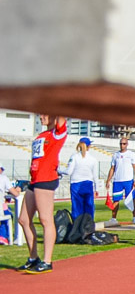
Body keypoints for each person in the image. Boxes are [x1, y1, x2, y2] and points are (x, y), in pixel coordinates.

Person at [17, 114, 68, 273]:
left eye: (45, 113)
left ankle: (47, 261)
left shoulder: (57, 133)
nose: (41, 117)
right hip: (35, 180)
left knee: (46, 220)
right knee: (23, 220)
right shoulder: (41, 135)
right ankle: (34, 258)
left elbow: (61, 116)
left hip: (46, 180)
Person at [105, 136, 135, 224]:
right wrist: (108, 180)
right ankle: (113, 218)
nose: (122, 145)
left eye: (124, 144)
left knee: (132, 199)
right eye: (121, 144)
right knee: (116, 200)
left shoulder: (131, 154)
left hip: (128, 180)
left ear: (127, 144)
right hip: (117, 181)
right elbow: (112, 168)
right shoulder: (115, 155)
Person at [64, 137, 99, 220]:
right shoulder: (93, 159)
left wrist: (59, 171)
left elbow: (68, 171)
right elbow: (95, 176)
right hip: (88, 184)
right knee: (89, 208)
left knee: (76, 208)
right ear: (89, 146)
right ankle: (88, 227)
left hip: (76, 184)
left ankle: (76, 228)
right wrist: (96, 189)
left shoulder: (74, 157)